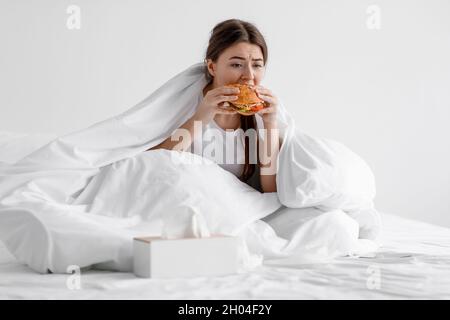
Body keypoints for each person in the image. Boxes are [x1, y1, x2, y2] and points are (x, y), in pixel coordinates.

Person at [149, 19, 280, 193]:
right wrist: (200, 119)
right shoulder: (186, 102)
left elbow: (271, 191)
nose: (249, 75)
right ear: (212, 67)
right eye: (236, 64)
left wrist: (270, 125)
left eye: (257, 65)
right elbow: (151, 166)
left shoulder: (262, 111)